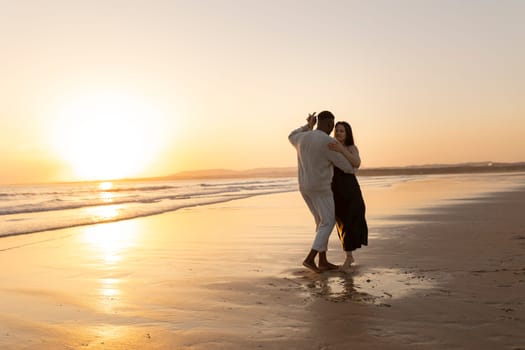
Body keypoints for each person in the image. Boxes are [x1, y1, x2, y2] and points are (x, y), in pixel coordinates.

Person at [288, 111, 355, 273]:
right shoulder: (328, 142)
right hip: (321, 189)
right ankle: (310, 258)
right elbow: (348, 167)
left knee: (320, 222)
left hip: (304, 187)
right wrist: (346, 154)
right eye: (332, 125)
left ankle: (322, 260)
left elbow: (291, 135)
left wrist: (307, 125)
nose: (333, 128)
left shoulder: (302, 137)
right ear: (329, 124)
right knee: (328, 221)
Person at [328, 121, 368, 272]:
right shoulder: (330, 147)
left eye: (342, 131)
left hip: (350, 189)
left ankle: (348, 258)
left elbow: (356, 163)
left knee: (352, 220)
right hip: (335, 189)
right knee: (341, 223)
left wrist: (342, 150)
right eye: (337, 131)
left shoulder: (351, 148)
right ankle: (349, 256)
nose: (338, 133)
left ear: (347, 134)